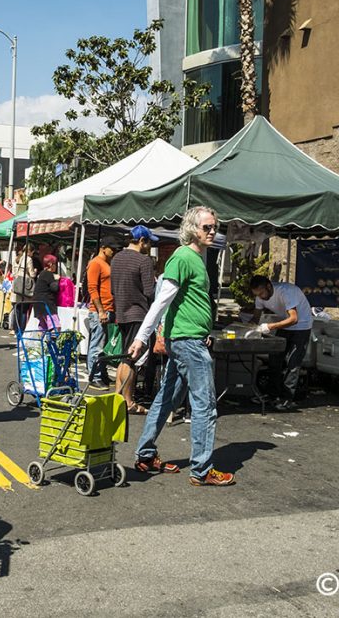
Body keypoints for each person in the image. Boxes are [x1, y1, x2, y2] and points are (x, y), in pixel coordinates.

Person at [128, 206, 236, 488]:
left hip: (189, 339)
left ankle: (145, 454)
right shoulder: (183, 257)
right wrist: (142, 338)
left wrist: (204, 330)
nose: (212, 231)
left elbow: (190, 302)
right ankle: (201, 469)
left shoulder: (199, 258)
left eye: (215, 227)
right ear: (192, 229)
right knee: (205, 406)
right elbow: (161, 302)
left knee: (167, 399)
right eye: (206, 228)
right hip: (187, 343)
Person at [110, 225, 158, 413]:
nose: (148, 246)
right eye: (148, 242)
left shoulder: (116, 258)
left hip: (121, 312)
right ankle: (129, 401)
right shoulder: (143, 261)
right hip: (138, 313)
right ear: (141, 241)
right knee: (132, 358)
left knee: (125, 356)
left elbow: (113, 288)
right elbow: (149, 291)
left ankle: (118, 397)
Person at [249, 275, 314, 411]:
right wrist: (247, 328)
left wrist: (270, 326)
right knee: (275, 359)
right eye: (257, 295)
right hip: (284, 325)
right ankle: (272, 394)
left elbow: (294, 319)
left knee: (293, 362)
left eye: (262, 293)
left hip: (301, 325)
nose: (261, 297)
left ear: (268, 286)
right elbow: (255, 317)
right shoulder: (260, 297)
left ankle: (286, 398)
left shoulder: (286, 291)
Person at [85, 237, 120, 387]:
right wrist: (100, 311)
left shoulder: (106, 263)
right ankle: (95, 376)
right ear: (103, 247)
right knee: (97, 344)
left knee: (103, 345)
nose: (114, 251)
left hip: (108, 308)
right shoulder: (95, 263)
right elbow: (92, 288)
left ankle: (101, 373)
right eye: (112, 248)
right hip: (100, 310)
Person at [10, 242, 40, 331]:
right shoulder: (28, 259)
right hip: (25, 288)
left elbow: (13, 273)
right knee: (24, 311)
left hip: (16, 287)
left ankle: (15, 329)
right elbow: (32, 274)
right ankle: (21, 330)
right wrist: (35, 270)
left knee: (17, 310)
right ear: (30, 251)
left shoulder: (17, 258)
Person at [32, 254, 61, 329]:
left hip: (38, 304)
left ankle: (40, 340)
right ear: (51, 264)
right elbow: (54, 288)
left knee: (43, 326)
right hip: (46, 304)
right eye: (55, 264)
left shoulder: (42, 273)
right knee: (55, 326)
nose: (56, 266)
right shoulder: (48, 274)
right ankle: (53, 340)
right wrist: (57, 280)